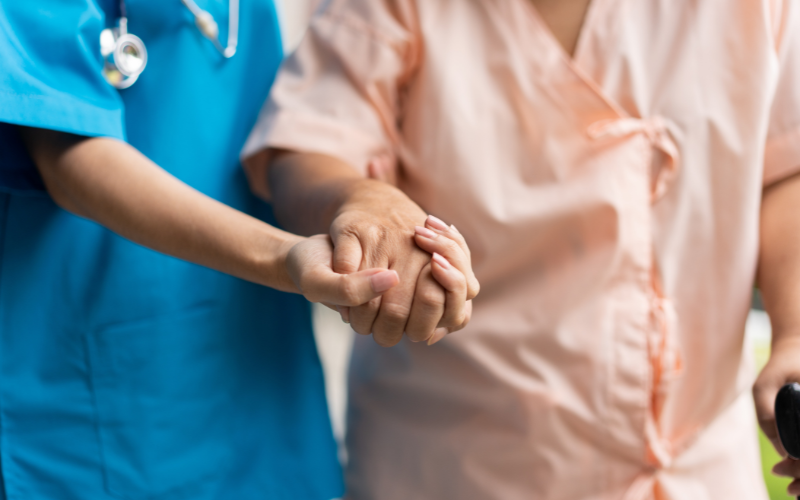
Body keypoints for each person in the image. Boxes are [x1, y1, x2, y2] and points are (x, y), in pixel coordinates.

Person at [240, 0, 800, 498]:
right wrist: (363, 201)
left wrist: (795, 330)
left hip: (702, 467)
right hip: (464, 466)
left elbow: (784, 171)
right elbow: (308, 147)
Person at [0, 0, 473, 498]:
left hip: (255, 360)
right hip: (97, 378)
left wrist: (368, 210)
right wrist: (286, 257)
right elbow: (69, 151)